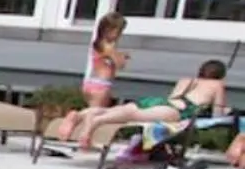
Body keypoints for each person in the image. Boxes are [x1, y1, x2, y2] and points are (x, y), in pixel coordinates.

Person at [68, 59, 228, 152]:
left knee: (119, 109)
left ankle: (83, 114)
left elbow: (174, 96)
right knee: (132, 117)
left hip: (161, 102)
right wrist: (224, 111)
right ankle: (95, 123)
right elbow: (218, 113)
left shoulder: (186, 80)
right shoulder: (217, 85)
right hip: (178, 110)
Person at [46, 13, 128, 148]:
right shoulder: (108, 46)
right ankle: (85, 136)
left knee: (94, 111)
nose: (119, 35)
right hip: (102, 85)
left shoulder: (98, 44)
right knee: (94, 113)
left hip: (90, 82)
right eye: (118, 31)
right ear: (108, 30)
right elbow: (120, 64)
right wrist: (122, 58)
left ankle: (78, 120)